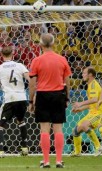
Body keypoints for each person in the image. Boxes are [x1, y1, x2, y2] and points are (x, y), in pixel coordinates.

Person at [28, 33, 71, 168]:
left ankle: (46, 161)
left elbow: (32, 83)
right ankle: (58, 160)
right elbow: (67, 81)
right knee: (58, 128)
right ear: (53, 43)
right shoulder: (62, 59)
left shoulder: (37, 60)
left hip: (43, 95)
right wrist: (67, 97)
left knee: (44, 129)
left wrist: (31, 101)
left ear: (40, 45)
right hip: (58, 94)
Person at [0, 46, 30, 158]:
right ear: (13, 54)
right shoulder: (20, 65)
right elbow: (29, 78)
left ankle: (0, 152)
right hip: (22, 97)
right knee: (21, 120)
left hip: (9, 98)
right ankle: (24, 148)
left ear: (1, 55)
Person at [70, 67, 102, 157]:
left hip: (98, 113)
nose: (82, 74)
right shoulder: (90, 85)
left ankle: (99, 147)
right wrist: (81, 109)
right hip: (92, 113)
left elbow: (94, 99)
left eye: (84, 73)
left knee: (84, 125)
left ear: (90, 75)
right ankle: (77, 152)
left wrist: (80, 103)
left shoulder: (93, 85)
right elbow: (93, 103)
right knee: (75, 131)